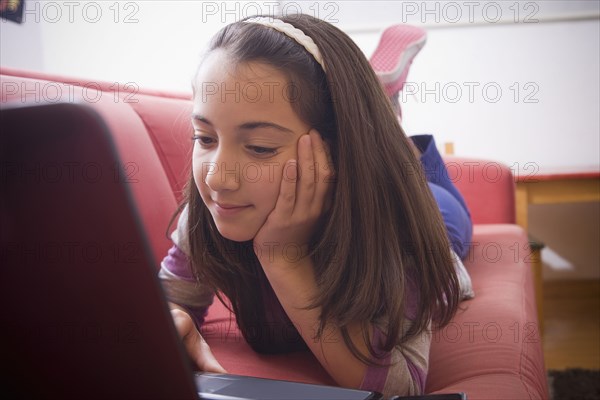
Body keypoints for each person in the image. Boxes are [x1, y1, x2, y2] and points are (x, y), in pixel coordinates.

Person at [159, 14, 462, 397]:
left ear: (334, 153)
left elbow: (401, 387)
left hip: (428, 206)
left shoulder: (395, 228)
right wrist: (175, 319)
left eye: (259, 148)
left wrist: (283, 257)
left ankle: (386, 114)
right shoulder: (212, 210)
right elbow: (170, 298)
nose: (218, 179)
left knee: (438, 203)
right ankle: (379, 104)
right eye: (204, 138)